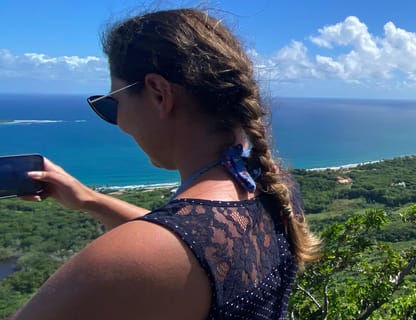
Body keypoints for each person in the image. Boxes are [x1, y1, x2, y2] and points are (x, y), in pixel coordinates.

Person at [12, 8, 320, 319]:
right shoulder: (275, 187)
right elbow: (191, 242)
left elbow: (173, 243)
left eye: (112, 105)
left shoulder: (131, 258)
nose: (119, 123)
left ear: (159, 94)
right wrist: (90, 200)